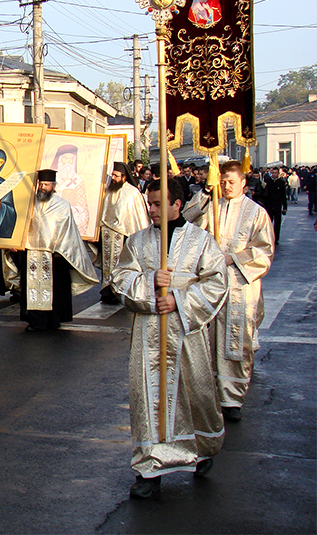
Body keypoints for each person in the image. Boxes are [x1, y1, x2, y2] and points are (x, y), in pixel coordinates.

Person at [111, 179, 227, 500]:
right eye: (150, 203)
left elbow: (217, 283)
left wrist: (178, 298)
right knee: (149, 399)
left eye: (159, 204)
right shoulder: (137, 242)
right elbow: (120, 280)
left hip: (187, 333)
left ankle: (201, 447)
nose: (152, 210)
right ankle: (149, 468)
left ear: (178, 204)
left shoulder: (202, 241)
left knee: (196, 393)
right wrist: (149, 283)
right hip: (147, 336)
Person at [183, 160, 274, 422]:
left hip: (241, 284)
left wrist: (234, 258)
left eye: (231, 182)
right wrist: (206, 194)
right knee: (208, 338)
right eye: (223, 182)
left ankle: (233, 397)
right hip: (213, 283)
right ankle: (211, 392)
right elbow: (187, 222)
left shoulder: (256, 213)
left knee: (236, 339)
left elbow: (264, 250)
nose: (227, 186)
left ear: (243, 183)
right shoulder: (213, 207)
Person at [17, 169, 98, 332]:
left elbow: (68, 231)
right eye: (40, 184)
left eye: (46, 184)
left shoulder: (62, 205)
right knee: (32, 288)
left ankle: (53, 320)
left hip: (54, 256)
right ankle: (35, 321)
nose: (42, 187)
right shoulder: (29, 203)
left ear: (54, 186)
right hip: (31, 253)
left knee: (54, 290)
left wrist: (60, 250)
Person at [99, 162, 150, 304]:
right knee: (107, 266)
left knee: (121, 266)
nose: (113, 178)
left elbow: (139, 218)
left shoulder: (132, 193)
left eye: (116, 176)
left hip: (124, 236)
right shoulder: (108, 190)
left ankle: (120, 291)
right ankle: (107, 292)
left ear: (124, 176)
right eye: (113, 175)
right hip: (107, 235)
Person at [51, 144, 89, 235]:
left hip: (70, 223)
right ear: (60, 159)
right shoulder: (50, 179)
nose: (68, 162)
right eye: (65, 158)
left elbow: (83, 208)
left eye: (71, 159)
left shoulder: (78, 181)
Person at [261, 166, 287, 245]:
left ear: (278, 173)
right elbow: (264, 193)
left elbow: (283, 195)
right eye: (273, 173)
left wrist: (285, 207)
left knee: (277, 223)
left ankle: (276, 239)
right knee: (268, 223)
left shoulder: (281, 182)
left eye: (276, 173)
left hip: (277, 205)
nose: (274, 175)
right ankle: (268, 237)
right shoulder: (268, 181)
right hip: (269, 205)